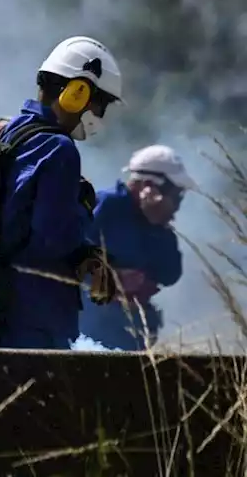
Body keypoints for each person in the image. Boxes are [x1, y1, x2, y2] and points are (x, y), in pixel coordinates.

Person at [0, 36, 124, 350]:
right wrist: (87, 252)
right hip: (34, 319)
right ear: (78, 93)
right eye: (101, 104)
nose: (100, 116)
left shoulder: (11, 131)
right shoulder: (59, 148)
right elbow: (52, 240)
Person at [80, 145, 194, 351]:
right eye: (175, 197)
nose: (177, 206)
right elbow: (68, 255)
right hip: (93, 330)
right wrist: (112, 277)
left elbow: (170, 274)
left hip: (132, 330)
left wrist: (157, 226)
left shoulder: (156, 221)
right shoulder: (107, 205)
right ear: (149, 185)